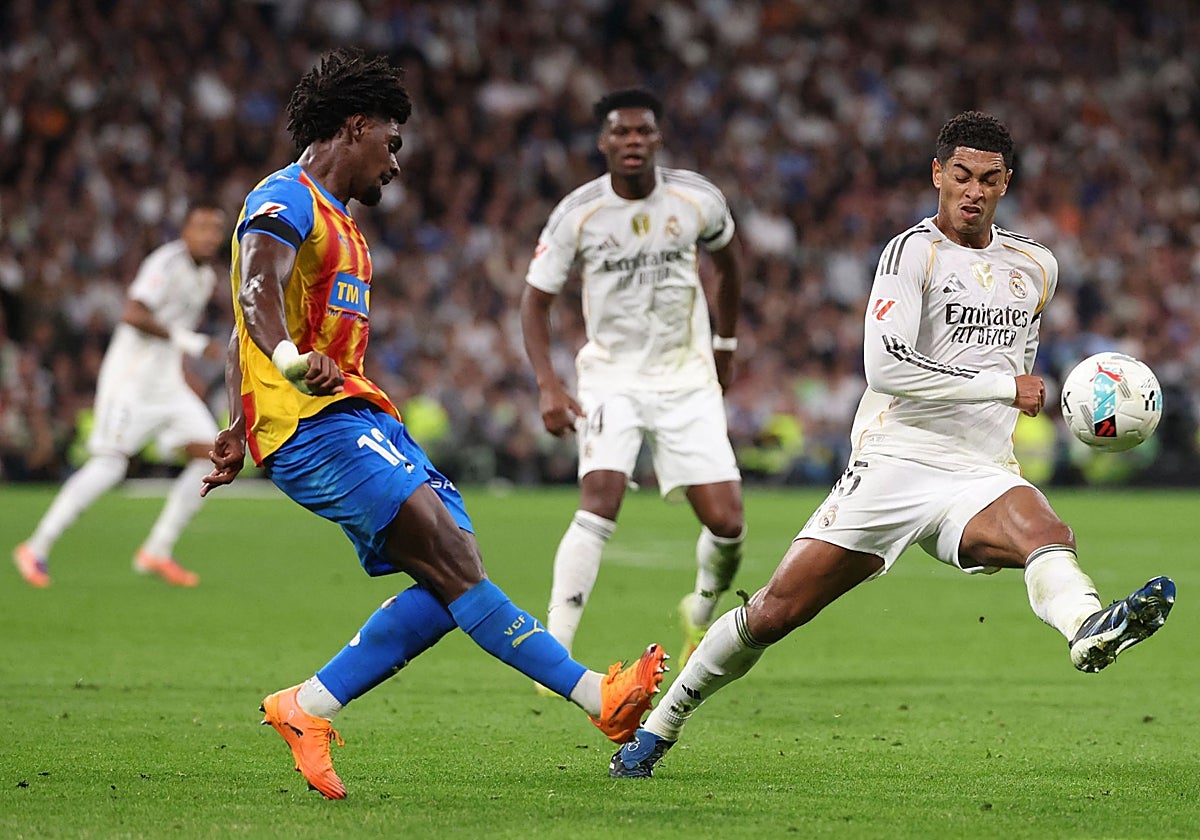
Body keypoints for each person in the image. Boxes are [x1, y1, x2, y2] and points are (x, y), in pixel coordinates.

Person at [609, 111, 1176, 778]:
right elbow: (888, 369)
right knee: (774, 612)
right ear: (938, 174)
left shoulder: (1036, 267)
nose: (973, 191)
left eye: (989, 180)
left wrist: (1020, 408)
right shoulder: (911, 253)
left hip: (978, 469)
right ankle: (658, 728)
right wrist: (1000, 388)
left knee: (1046, 530)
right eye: (961, 175)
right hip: (895, 460)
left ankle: (1087, 628)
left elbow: (1009, 358)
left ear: (1006, 184)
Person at [199, 49, 666, 800]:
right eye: (391, 142)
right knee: (453, 561)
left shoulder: (343, 227)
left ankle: (306, 706)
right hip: (313, 427)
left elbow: (238, 333)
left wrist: (234, 417)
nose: (395, 162)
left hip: (353, 416)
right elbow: (255, 292)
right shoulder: (284, 200)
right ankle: (598, 700)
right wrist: (284, 366)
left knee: (454, 574)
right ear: (355, 128)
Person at [520, 89, 746, 671]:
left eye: (643, 132)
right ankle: (556, 648)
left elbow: (729, 264)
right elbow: (534, 301)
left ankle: (700, 609)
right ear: (603, 142)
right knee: (600, 501)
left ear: (658, 138)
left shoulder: (698, 199)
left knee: (727, 524)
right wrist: (548, 383)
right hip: (611, 378)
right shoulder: (579, 213)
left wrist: (725, 343)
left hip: (685, 376)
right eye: (620, 133)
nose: (632, 142)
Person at [13, 204, 228, 588]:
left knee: (215, 457)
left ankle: (158, 549)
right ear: (185, 230)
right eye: (202, 227)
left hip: (166, 384)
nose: (209, 236)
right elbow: (132, 313)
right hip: (130, 382)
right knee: (109, 466)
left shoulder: (206, 278)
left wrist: (185, 374)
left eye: (216, 229)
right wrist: (192, 343)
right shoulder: (166, 263)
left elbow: (170, 334)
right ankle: (36, 546)